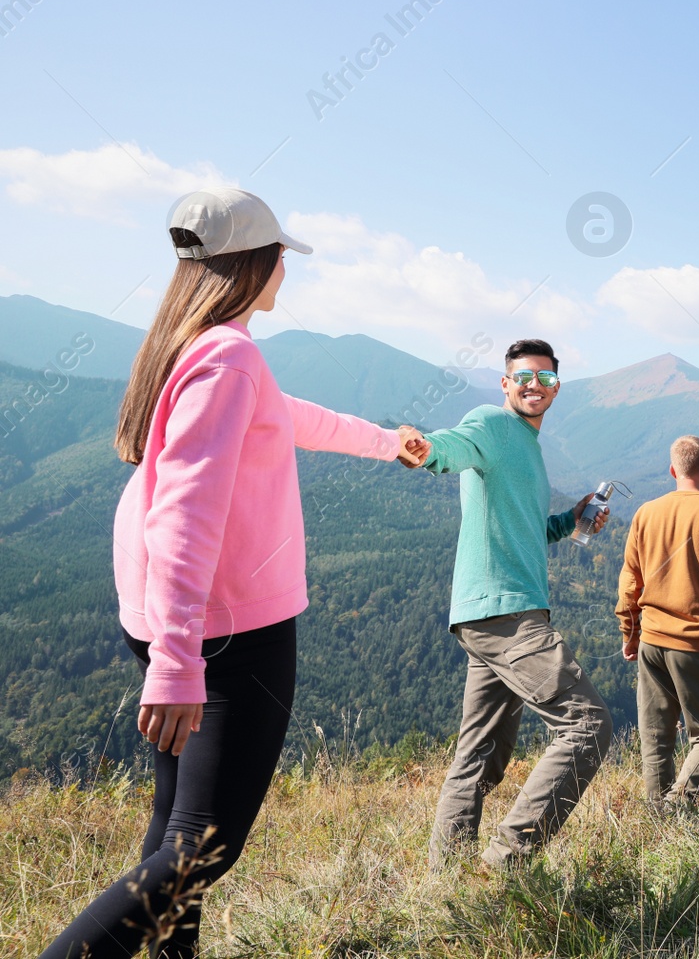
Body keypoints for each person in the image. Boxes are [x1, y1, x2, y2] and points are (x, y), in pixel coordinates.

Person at [41, 188, 430, 959]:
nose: (287, 263)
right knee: (200, 848)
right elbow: (187, 510)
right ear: (255, 262)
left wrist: (390, 441)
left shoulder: (194, 343)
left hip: (166, 617)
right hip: (224, 633)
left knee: (172, 826)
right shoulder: (229, 355)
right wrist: (179, 665)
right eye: (280, 252)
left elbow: (292, 417)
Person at [413, 339, 614, 871]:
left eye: (545, 379)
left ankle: (445, 882)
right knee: (587, 724)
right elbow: (453, 446)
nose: (534, 386)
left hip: (490, 614)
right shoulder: (494, 426)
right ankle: (506, 863)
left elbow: (527, 528)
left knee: (478, 756)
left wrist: (571, 521)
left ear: (556, 389)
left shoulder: (528, 446)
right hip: (506, 614)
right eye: (524, 377)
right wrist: (427, 450)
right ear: (505, 384)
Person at [616, 435, 699, 809]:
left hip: (651, 641)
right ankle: (678, 805)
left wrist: (630, 633)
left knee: (656, 736)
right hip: (697, 644)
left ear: (673, 469)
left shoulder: (646, 513)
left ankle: (658, 817)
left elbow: (629, 583)